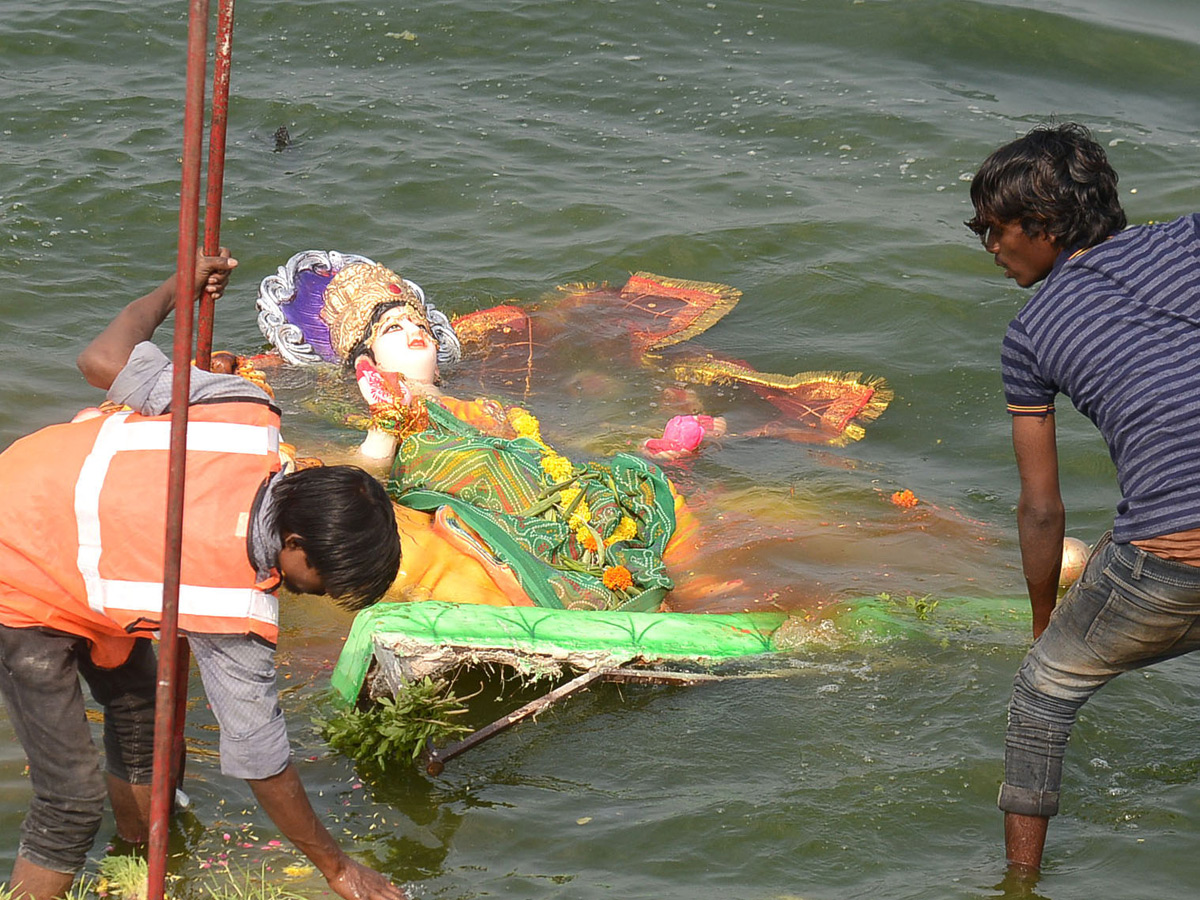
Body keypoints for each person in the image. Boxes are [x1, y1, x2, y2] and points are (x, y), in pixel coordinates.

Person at [0, 252, 407, 900]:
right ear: (295, 544)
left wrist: (176, 286)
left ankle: (136, 857)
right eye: (323, 582)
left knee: (141, 713)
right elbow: (262, 760)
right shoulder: (232, 611)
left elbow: (101, 360)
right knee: (69, 802)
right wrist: (340, 868)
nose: (319, 596)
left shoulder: (245, 411)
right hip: (16, 574)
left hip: (44, 492)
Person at [967, 122, 1200, 874]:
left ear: (1042, 226)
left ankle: (1020, 887)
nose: (990, 249)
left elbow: (1041, 509)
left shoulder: (1029, 335)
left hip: (1173, 567)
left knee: (1041, 693)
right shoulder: (1191, 239)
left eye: (992, 230)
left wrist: (1043, 623)